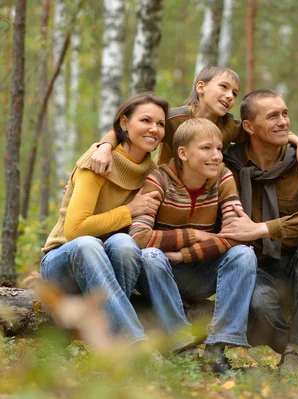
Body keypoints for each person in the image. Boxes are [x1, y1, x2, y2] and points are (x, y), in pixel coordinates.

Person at [40, 93, 193, 349]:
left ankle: (109, 344)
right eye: (145, 120)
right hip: (63, 261)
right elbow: (75, 230)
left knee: (124, 242)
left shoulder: (153, 175)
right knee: (88, 244)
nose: (154, 129)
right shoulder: (98, 160)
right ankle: (133, 343)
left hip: (108, 269)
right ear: (124, 123)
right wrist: (129, 210)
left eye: (160, 124)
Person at [219, 90, 298, 375]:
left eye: (285, 114)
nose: (284, 122)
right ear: (248, 127)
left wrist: (262, 228)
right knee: (260, 304)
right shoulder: (226, 165)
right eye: (273, 116)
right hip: (252, 266)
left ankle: (295, 351)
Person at [129, 117, 257, 374]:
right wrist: (194, 236)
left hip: (199, 271)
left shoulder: (223, 178)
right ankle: (182, 350)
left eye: (219, 149)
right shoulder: (159, 180)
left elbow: (238, 233)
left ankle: (217, 350)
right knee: (151, 256)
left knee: (244, 254)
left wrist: (182, 255)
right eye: (207, 148)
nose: (216, 156)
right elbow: (139, 238)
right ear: (183, 153)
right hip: (160, 275)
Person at [90, 66, 298, 175]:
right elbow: (126, 131)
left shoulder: (229, 127)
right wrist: (104, 148)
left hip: (206, 196)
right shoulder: (173, 120)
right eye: (223, 87)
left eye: (234, 93)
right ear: (201, 87)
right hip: (165, 190)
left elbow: (262, 129)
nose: (230, 96)